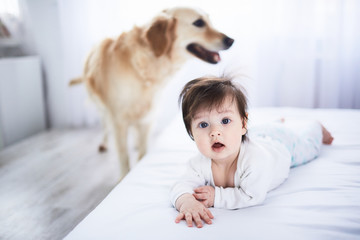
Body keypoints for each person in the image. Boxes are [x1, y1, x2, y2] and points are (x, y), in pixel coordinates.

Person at [170, 76, 334, 228]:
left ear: (243, 124)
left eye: (225, 121)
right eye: (203, 125)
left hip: (281, 144)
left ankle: (316, 128)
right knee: (254, 133)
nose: (215, 132)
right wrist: (186, 201)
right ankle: (275, 123)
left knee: (309, 148)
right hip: (255, 135)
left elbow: (252, 196)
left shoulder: (256, 161)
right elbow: (182, 185)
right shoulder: (199, 163)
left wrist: (217, 197)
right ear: (191, 133)